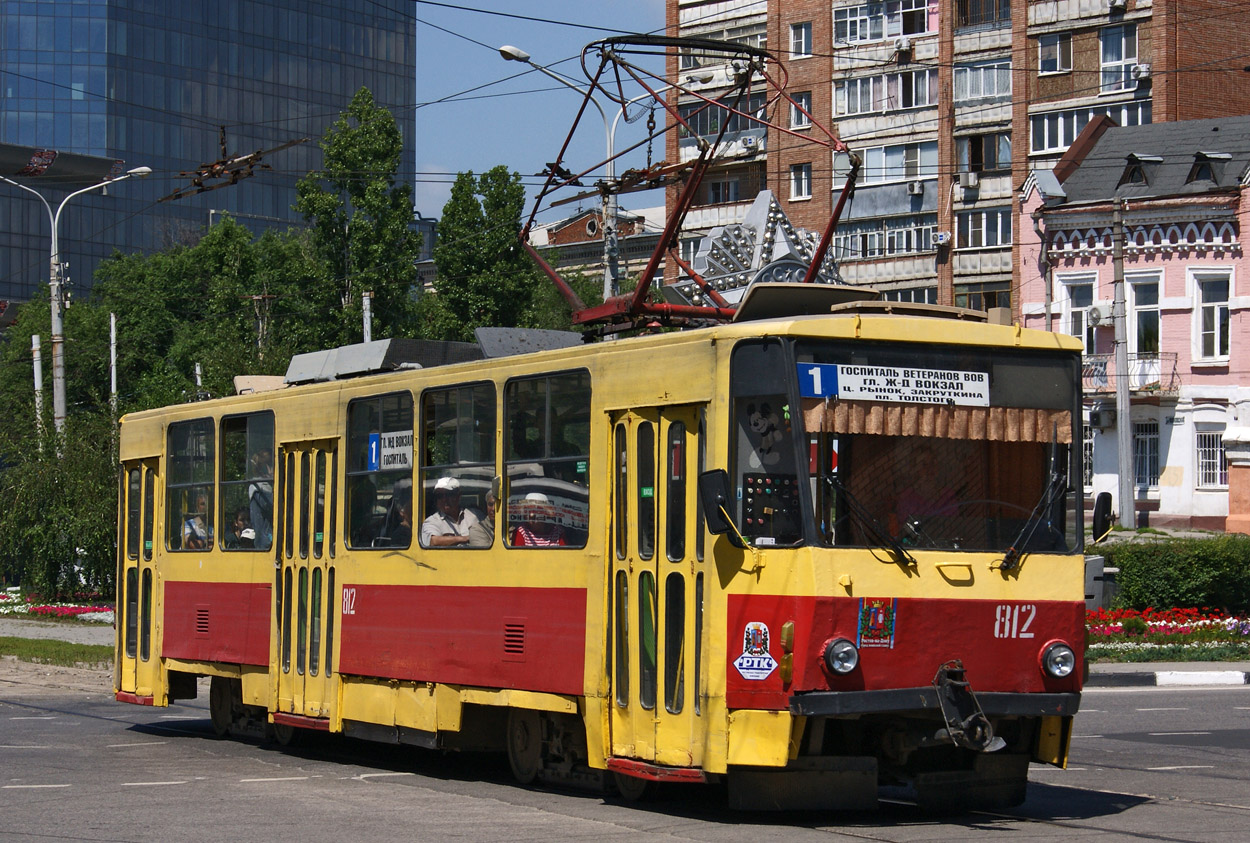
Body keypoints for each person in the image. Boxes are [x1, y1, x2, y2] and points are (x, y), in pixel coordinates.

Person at [420, 476, 480, 547]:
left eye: (448, 495)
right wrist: (465, 538)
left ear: (458, 496)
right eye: (440, 496)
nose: (444, 499)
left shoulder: (475, 515)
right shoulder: (432, 521)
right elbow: (433, 541)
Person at [248, 448, 274, 550]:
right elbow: (273, 506)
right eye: (271, 465)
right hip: (265, 542)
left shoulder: (268, 486)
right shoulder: (258, 487)